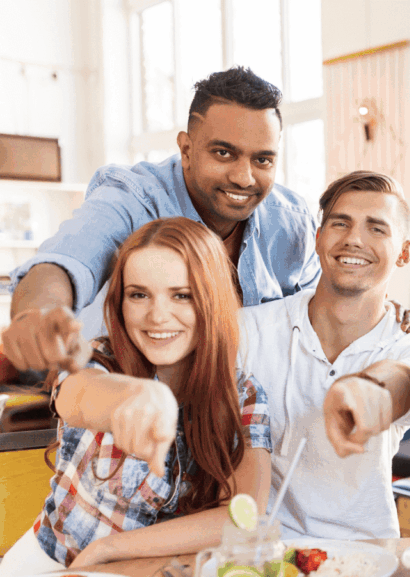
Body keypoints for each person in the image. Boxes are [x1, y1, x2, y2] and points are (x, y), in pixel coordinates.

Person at [0, 217, 272, 577]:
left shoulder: (243, 395)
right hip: (45, 567)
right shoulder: (97, 361)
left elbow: (241, 517)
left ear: (212, 300)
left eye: (182, 295)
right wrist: (130, 395)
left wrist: (108, 550)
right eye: (139, 295)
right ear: (121, 301)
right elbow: (80, 395)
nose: (158, 316)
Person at [3, 66, 320, 373]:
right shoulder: (133, 197)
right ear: (186, 149)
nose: (243, 177)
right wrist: (40, 313)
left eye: (262, 159)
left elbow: (316, 321)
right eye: (223, 153)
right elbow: (68, 257)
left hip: (242, 406)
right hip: (127, 398)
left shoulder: (292, 221)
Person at [238, 171, 410, 540]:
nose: (353, 239)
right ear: (318, 238)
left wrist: (369, 389)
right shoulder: (247, 331)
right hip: (264, 560)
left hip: (369, 564)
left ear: (404, 253)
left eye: (377, 229)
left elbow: (409, 381)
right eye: (340, 223)